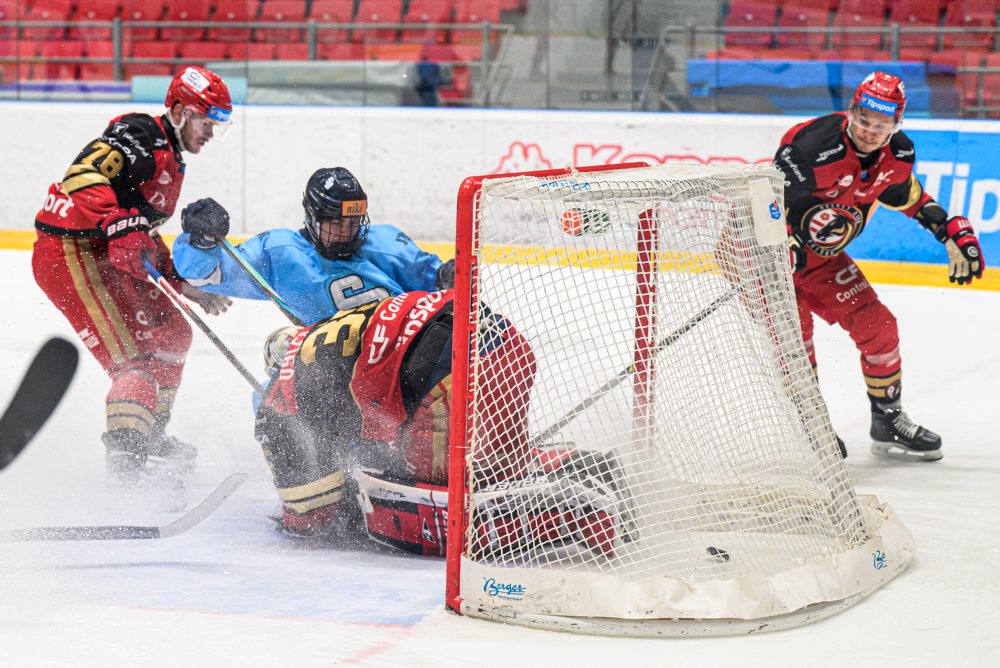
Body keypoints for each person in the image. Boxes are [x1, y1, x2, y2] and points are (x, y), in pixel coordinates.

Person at [254, 290, 627, 558]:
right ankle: (586, 468)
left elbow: (309, 513)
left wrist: (316, 518)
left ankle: (581, 516)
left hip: (448, 374)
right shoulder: (343, 325)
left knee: (434, 503)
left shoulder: (283, 390)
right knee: (496, 470)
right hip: (507, 347)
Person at [32, 65, 236, 486]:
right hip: (70, 253)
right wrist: (114, 221)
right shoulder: (140, 133)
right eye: (205, 121)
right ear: (179, 110)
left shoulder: (173, 159)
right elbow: (82, 174)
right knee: (135, 363)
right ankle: (125, 472)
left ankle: (150, 434)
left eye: (217, 124)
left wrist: (183, 285)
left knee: (176, 332)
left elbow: (138, 235)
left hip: (104, 253)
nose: (210, 134)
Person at [774, 71, 984, 462]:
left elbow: (908, 197)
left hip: (819, 259)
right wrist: (780, 244)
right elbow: (767, 200)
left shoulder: (898, 155)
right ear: (852, 111)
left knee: (880, 328)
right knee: (797, 341)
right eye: (865, 119)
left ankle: (887, 421)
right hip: (764, 257)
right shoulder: (812, 145)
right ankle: (812, 427)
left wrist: (948, 230)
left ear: (896, 123)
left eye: (882, 123)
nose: (871, 130)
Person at [171, 167, 454, 326]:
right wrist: (200, 241)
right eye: (336, 223)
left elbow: (437, 282)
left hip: (398, 362)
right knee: (275, 377)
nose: (346, 232)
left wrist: (449, 275)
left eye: (353, 222)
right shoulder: (278, 252)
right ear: (313, 218)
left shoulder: (386, 242)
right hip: (330, 367)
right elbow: (206, 275)